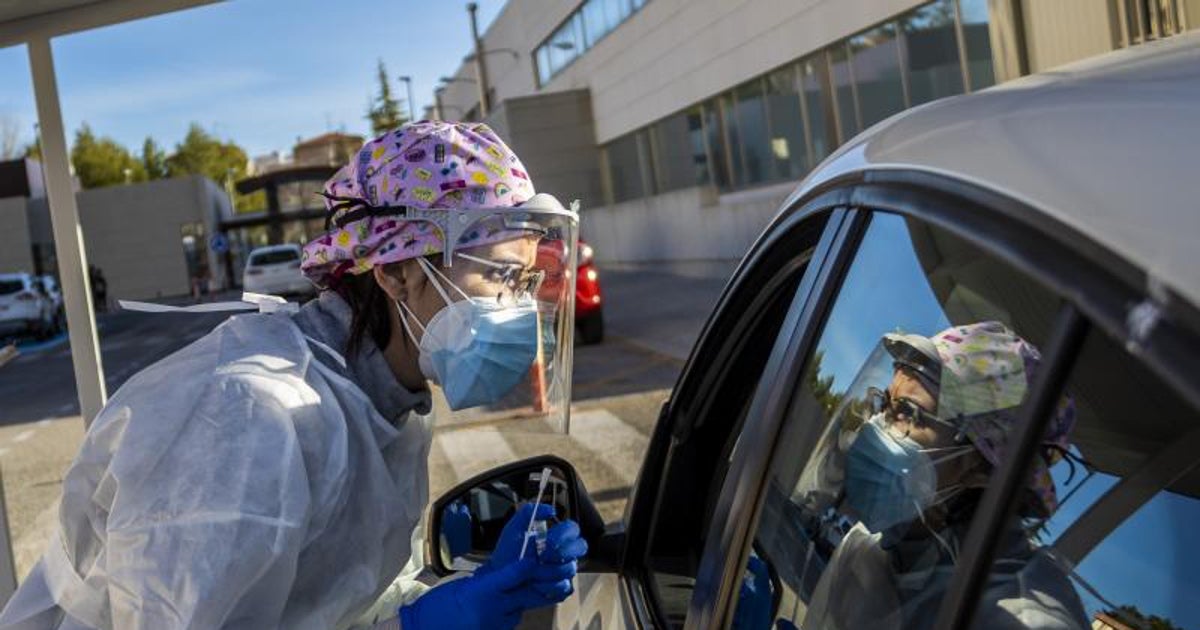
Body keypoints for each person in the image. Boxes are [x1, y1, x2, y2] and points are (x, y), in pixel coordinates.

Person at [0, 121, 587, 630]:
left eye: (528, 285)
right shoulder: (248, 416)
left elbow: (333, 604)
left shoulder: (382, 409)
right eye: (503, 277)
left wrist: (464, 593)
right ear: (398, 271)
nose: (519, 308)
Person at [737, 321, 1090, 629]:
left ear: (981, 466)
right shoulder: (868, 544)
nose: (874, 428)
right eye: (885, 404)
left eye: (908, 413)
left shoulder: (1024, 622)